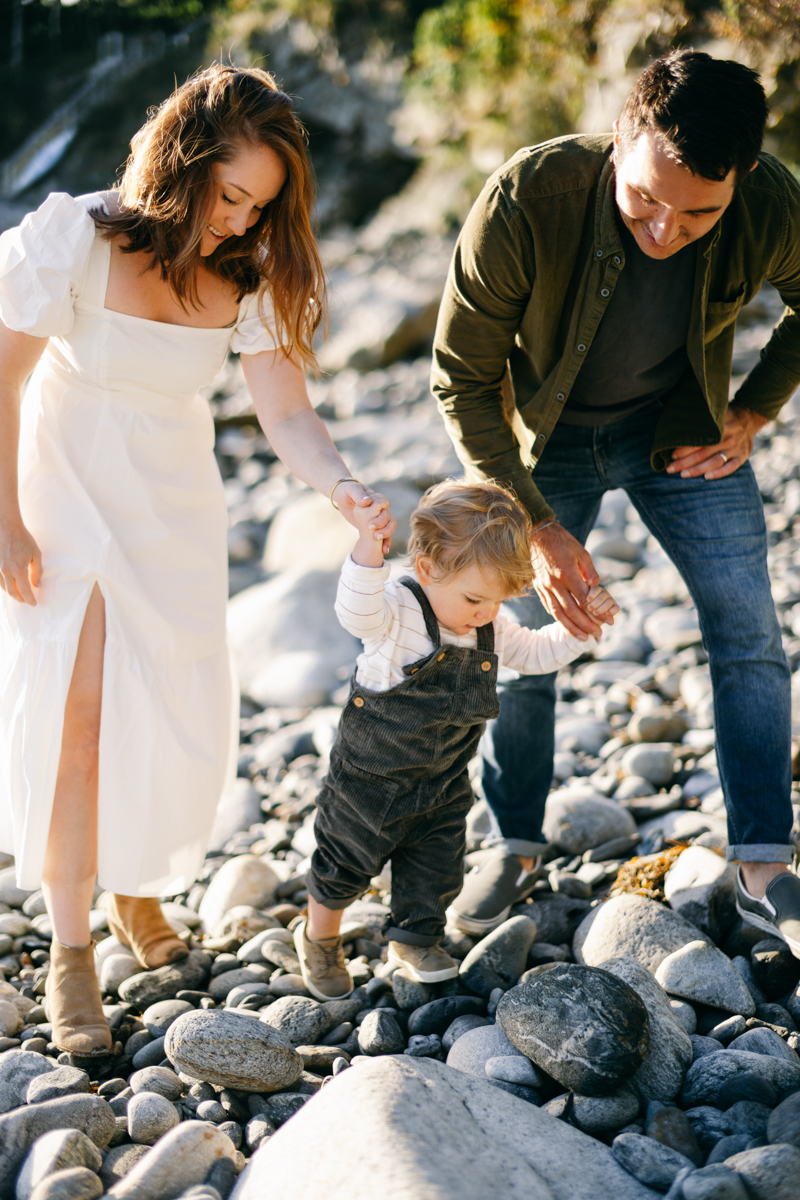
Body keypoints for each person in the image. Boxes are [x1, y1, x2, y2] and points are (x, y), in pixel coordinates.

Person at [0, 64, 395, 1056]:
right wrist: (4, 518)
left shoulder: (246, 271)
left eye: (259, 204)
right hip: (64, 499)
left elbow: (287, 413)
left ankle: (136, 887)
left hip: (172, 510)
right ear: (182, 164)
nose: (237, 220)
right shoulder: (74, 236)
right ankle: (71, 948)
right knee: (77, 720)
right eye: (227, 195)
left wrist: (340, 487)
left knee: (163, 713)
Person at [432, 48, 800, 950]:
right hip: (540, 449)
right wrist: (542, 528)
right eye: (645, 199)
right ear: (620, 140)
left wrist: (753, 411)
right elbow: (462, 381)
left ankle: (763, 861)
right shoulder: (529, 198)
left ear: (742, 176)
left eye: (697, 212)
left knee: (749, 632)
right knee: (516, 646)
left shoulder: (770, 202)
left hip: (680, 432)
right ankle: (516, 841)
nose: (666, 229)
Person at [292, 479, 617, 997]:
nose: (484, 613)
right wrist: (366, 552)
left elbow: (534, 655)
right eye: (474, 598)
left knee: (435, 867)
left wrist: (580, 629)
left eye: (496, 601)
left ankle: (414, 937)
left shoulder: (485, 624)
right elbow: (355, 611)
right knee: (344, 862)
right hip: (369, 782)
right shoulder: (395, 611)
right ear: (426, 570)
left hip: (442, 782)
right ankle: (319, 937)